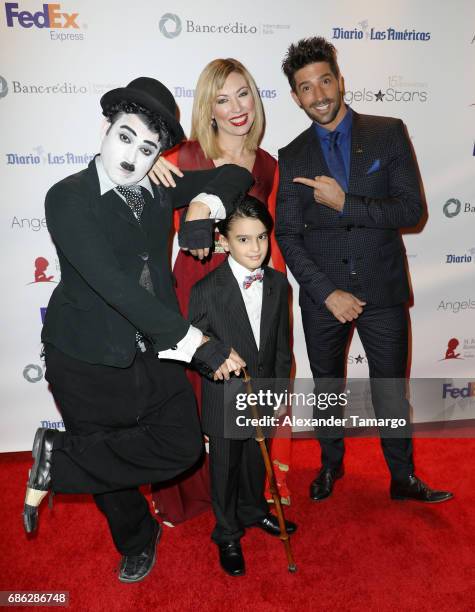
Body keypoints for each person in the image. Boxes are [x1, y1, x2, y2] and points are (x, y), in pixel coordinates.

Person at [22, 77, 254, 584]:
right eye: (125, 137)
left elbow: (238, 174)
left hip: (153, 349)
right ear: (107, 128)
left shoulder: (156, 186)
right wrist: (198, 344)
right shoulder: (67, 197)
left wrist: (201, 204)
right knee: (108, 467)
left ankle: (57, 459)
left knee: (183, 446)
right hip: (86, 355)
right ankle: (136, 540)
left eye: (147, 147)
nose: (131, 157)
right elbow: (111, 285)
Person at [276, 37, 453, 504]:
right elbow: (287, 236)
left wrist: (346, 202)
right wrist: (327, 292)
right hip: (323, 298)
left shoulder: (387, 131)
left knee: (391, 392)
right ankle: (330, 467)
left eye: (325, 81)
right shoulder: (292, 155)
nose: (319, 95)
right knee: (329, 391)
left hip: (383, 290)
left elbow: (411, 210)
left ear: (340, 80)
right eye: (306, 88)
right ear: (295, 97)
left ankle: (402, 477)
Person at [150, 58, 291, 524]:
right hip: (193, 286)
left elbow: (261, 235)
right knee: (192, 397)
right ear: (208, 109)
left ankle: (247, 501)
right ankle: (190, 497)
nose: (236, 108)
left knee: (244, 395)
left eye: (243, 94)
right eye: (222, 99)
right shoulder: (183, 156)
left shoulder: (267, 164)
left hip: (243, 292)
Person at [188, 195, 296, 576]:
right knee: (226, 470)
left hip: (265, 393)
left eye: (262, 238)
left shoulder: (280, 285)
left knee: (255, 463)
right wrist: (211, 362)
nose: (256, 248)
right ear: (224, 241)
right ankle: (227, 532)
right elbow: (194, 349)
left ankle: (253, 511)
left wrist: (281, 391)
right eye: (244, 239)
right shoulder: (205, 290)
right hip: (225, 399)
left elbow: (283, 345)